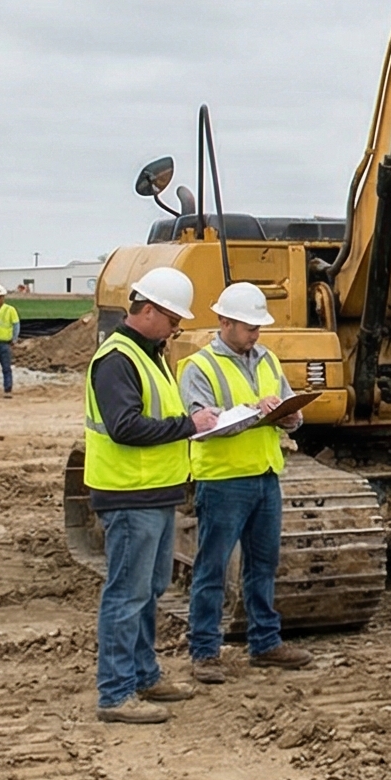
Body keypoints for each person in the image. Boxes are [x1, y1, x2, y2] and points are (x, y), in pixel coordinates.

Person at [84, 267, 218, 724]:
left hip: (155, 494)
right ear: (147, 310)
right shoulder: (118, 358)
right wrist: (189, 426)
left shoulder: (151, 354)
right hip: (129, 494)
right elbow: (125, 427)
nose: (177, 327)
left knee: (150, 589)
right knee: (127, 594)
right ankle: (116, 693)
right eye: (173, 318)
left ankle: (143, 674)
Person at [178, 281, 315, 683]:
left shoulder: (268, 360)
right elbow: (204, 422)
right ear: (224, 321)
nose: (256, 334)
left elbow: (291, 408)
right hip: (223, 481)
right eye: (249, 327)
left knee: (263, 565)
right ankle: (204, 651)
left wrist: (290, 416)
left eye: (258, 327)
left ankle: (265, 642)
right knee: (213, 568)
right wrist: (254, 410)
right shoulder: (199, 367)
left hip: (265, 476)